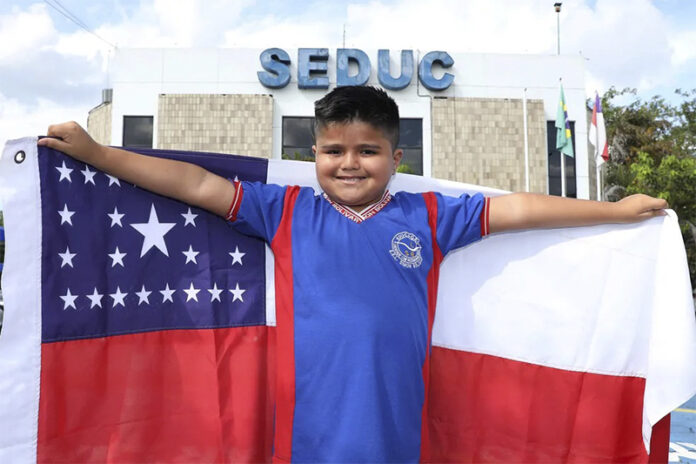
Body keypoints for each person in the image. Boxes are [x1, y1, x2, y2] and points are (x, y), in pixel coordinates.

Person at [38, 85, 667, 462]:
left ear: (397, 157)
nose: (349, 163)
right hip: (306, 428)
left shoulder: (430, 216)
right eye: (334, 150)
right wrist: (98, 154)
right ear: (311, 154)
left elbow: (523, 208)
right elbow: (197, 185)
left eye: (367, 151)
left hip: (397, 426)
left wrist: (614, 210)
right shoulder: (284, 210)